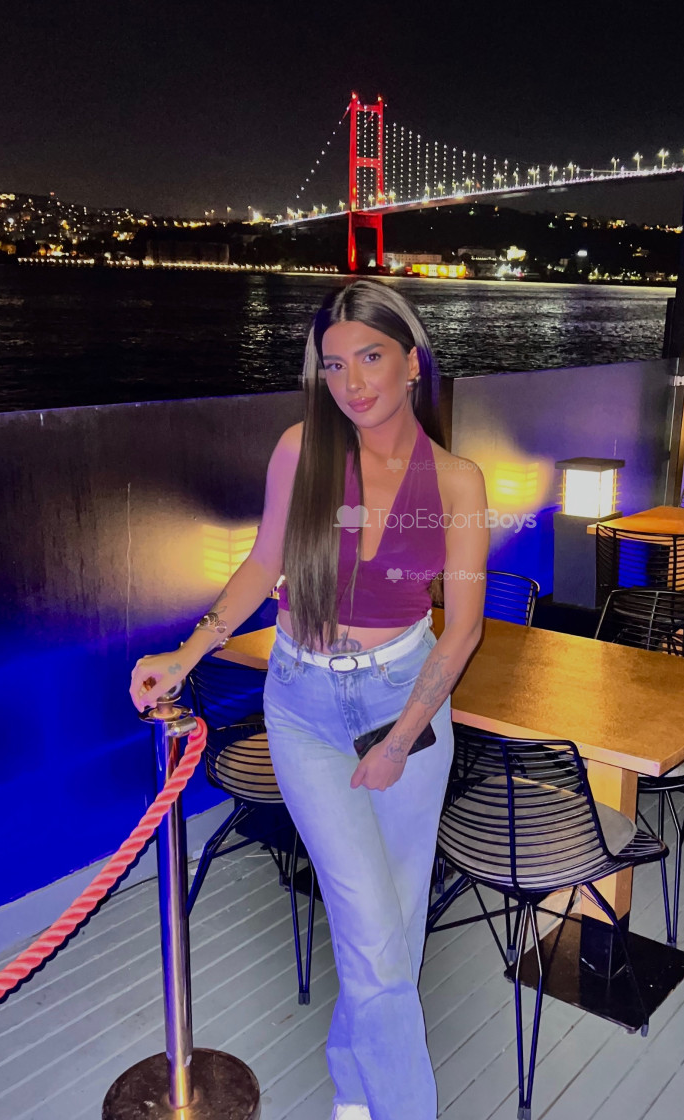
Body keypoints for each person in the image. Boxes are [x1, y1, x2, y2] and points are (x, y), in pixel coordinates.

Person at [130, 279, 488, 1120]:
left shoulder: (458, 481)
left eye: (370, 357)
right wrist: (186, 652)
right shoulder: (301, 450)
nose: (352, 382)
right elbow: (263, 564)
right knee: (373, 931)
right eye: (333, 364)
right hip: (303, 705)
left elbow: (464, 629)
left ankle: (352, 1093)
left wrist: (399, 739)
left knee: (392, 929)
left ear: (412, 362)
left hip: (406, 703)